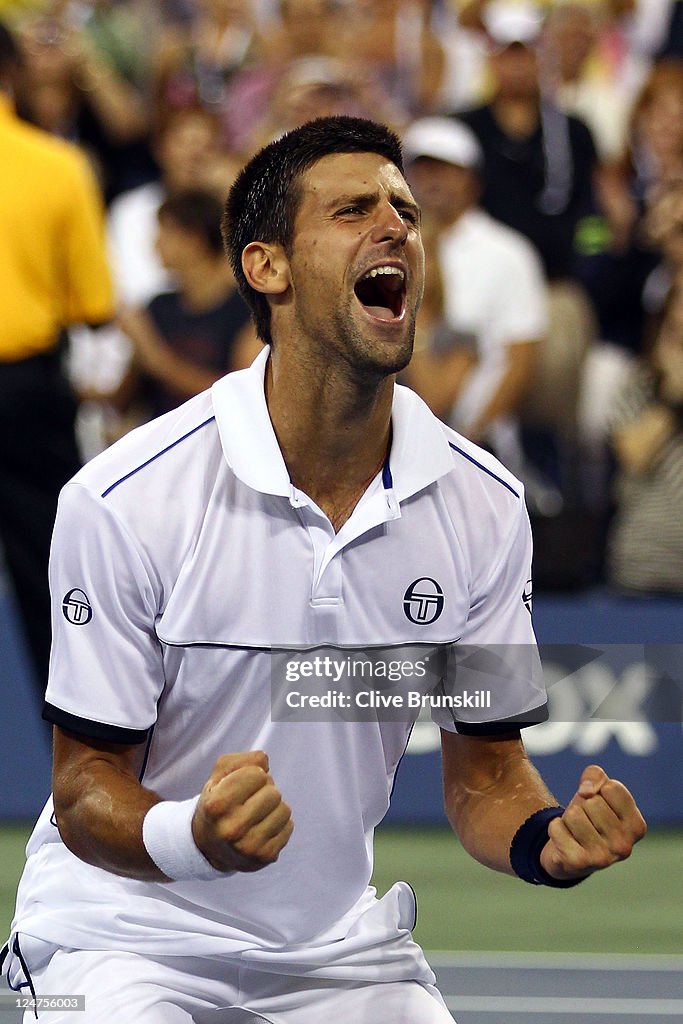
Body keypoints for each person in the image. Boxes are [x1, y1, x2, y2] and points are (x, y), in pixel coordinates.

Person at [2, 116, 646, 1023]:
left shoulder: (486, 506)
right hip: (112, 940)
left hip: (335, 958)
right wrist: (195, 834)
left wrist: (548, 839)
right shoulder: (122, 498)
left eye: (404, 211)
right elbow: (82, 789)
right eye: (353, 208)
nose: (395, 226)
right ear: (265, 267)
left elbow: (488, 773)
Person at [0, 19, 113, 700]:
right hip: (25, 386)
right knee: (52, 569)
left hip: (27, 379)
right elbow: (92, 304)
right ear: (13, 74)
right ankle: (78, 755)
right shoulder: (58, 165)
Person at [401, 116, 546, 477]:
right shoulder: (387, 247)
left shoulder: (508, 252)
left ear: (472, 178)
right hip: (396, 436)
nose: (431, 181)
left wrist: (472, 440)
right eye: (423, 170)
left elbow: (521, 359)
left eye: (445, 170)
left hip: (477, 440)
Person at [115, 188, 259, 421]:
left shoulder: (247, 311)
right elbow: (123, 399)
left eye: (164, 232)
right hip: (162, 444)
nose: (155, 243)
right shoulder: (157, 307)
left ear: (193, 240)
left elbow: (239, 396)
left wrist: (155, 355)